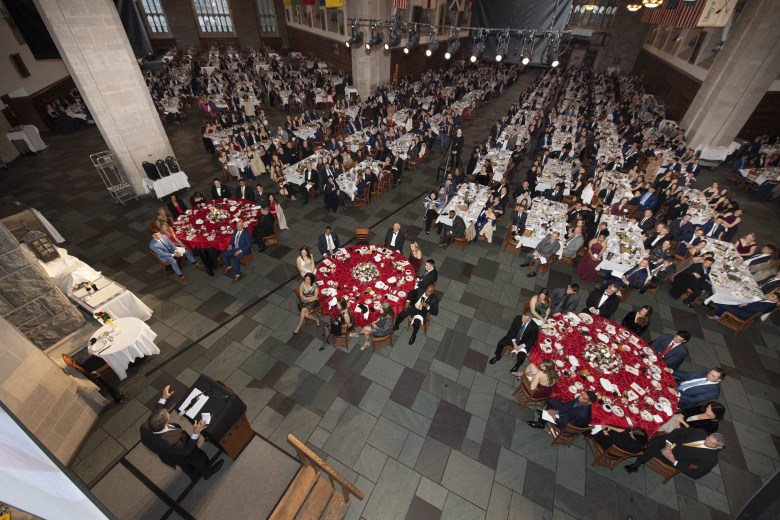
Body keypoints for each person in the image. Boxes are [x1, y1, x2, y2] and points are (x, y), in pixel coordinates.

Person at [140, 385, 224, 482]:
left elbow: (154, 414)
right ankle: (208, 472)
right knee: (198, 458)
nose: (168, 414)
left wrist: (163, 399)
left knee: (184, 464)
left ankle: (194, 475)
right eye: (168, 416)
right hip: (182, 451)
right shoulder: (169, 442)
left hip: (171, 455)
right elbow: (186, 451)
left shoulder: (145, 427)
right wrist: (195, 433)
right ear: (164, 425)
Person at [624, 430, 726, 480]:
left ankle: (636, 464)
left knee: (651, 449)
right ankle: (637, 463)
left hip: (675, 457)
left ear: (719, 447)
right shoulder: (701, 432)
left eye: (710, 443)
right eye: (708, 438)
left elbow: (696, 474)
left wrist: (674, 461)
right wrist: (668, 445)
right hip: (670, 442)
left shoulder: (711, 458)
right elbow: (678, 432)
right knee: (653, 444)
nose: (706, 441)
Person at [526, 390, 596, 430]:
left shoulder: (583, 415)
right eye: (581, 395)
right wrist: (557, 411)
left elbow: (570, 425)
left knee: (551, 413)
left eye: (583, 398)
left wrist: (555, 418)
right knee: (549, 400)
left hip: (566, 421)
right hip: (567, 411)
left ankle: (541, 423)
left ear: (590, 402)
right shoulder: (580, 398)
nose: (580, 397)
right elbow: (569, 405)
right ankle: (545, 416)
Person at [657, 402, 725, 435]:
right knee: (661, 415)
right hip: (678, 418)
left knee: (663, 423)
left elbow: (696, 433)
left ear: (716, 413)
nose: (707, 409)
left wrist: (682, 421)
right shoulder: (703, 408)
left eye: (710, 409)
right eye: (708, 407)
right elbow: (687, 410)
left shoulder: (713, 426)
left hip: (682, 430)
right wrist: (678, 419)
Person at [708, 292, 779, 320]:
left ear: (776, 301)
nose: (770, 296)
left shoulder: (767, 306)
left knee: (724, 305)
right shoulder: (771, 303)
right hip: (746, 309)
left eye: (773, 297)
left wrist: (742, 305)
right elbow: (755, 305)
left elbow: (750, 309)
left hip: (744, 314)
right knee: (732, 301)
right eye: (771, 295)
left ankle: (717, 316)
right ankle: (722, 313)